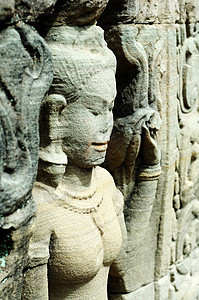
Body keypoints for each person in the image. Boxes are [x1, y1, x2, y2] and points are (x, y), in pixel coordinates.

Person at [22, 25, 126, 300]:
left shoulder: (104, 183)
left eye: (110, 109)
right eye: (93, 110)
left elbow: (125, 268)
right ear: (55, 114)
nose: (107, 126)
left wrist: (151, 172)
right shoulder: (40, 209)